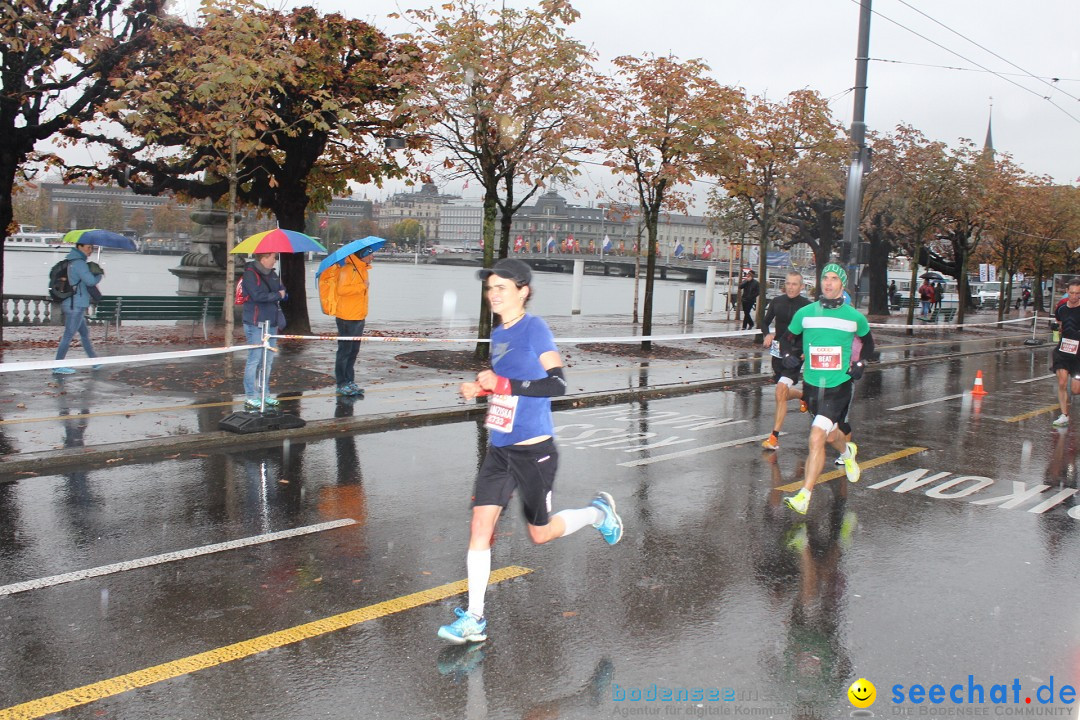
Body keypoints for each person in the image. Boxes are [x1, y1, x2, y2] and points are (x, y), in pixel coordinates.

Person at [438, 258, 623, 645]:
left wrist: (503, 384)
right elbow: (509, 386)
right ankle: (475, 619)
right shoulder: (498, 332)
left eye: (501, 287)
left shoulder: (535, 328)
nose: (493, 294)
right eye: (490, 288)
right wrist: (483, 389)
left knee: (540, 535)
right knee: (479, 528)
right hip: (500, 449)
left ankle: (597, 513)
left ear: (523, 291)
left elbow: (556, 385)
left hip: (533, 451)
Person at [781, 263, 875, 515]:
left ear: (842, 284)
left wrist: (860, 363)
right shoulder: (805, 313)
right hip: (812, 386)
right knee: (831, 435)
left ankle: (804, 495)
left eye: (834, 279)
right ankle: (847, 452)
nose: (828, 283)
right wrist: (788, 356)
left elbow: (868, 344)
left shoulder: (854, 317)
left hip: (838, 386)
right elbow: (787, 339)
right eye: (825, 278)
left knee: (816, 436)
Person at [760, 271, 811, 450]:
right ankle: (803, 395)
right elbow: (764, 322)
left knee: (780, 390)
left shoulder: (807, 306)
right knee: (781, 393)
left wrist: (807, 348)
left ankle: (774, 437)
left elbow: (813, 331)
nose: (790, 287)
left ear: (802, 287)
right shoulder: (777, 302)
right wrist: (767, 335)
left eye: (794, 284)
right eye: (788, 283)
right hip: (778, 353)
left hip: (796, 354)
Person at [318, 249, 372, 397]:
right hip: (346, 317)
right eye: (370, 254)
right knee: (344, 351)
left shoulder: (363, 270)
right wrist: (363, 286)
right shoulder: (348, 270)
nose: (372, 256)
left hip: (359, 316)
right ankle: (341, 383)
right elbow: (342, 290)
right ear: (363, 255)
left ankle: (350, 381)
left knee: (353, 351)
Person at [241, 252, 286, 409]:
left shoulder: (273, 274)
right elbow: (257, 296)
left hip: (272, 323)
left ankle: (265, 393)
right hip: (256, 323)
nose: (275, 260)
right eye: (273, 257)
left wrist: (281, 294)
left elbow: (283, 292)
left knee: (268, 361)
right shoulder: (250, 274)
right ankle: (250, 395)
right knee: (255, 359)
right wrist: (276, 295)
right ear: (264, 258)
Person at [53, 243, 103, 374]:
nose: (90, 250)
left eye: (91, 248)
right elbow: (90, 281)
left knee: (84, 334)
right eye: (88, 247)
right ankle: (57, 365)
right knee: (68, 335)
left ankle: (94, 361)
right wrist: (99, 274)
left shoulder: (72, 261)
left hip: (73, 303)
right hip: (75, 305)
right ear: (79, 247)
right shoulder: (79, 263)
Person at [1050, 279, 1080, 427]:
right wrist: (1055, 328)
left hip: (1079, 354)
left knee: (1075, 390)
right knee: (1062, 382)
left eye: (1077, 293)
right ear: (1067, 291)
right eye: (1072, 292)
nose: (1074, 296)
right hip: (1063, 350)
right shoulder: (1061, 308)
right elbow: (1060, 325)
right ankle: (1064, 415)